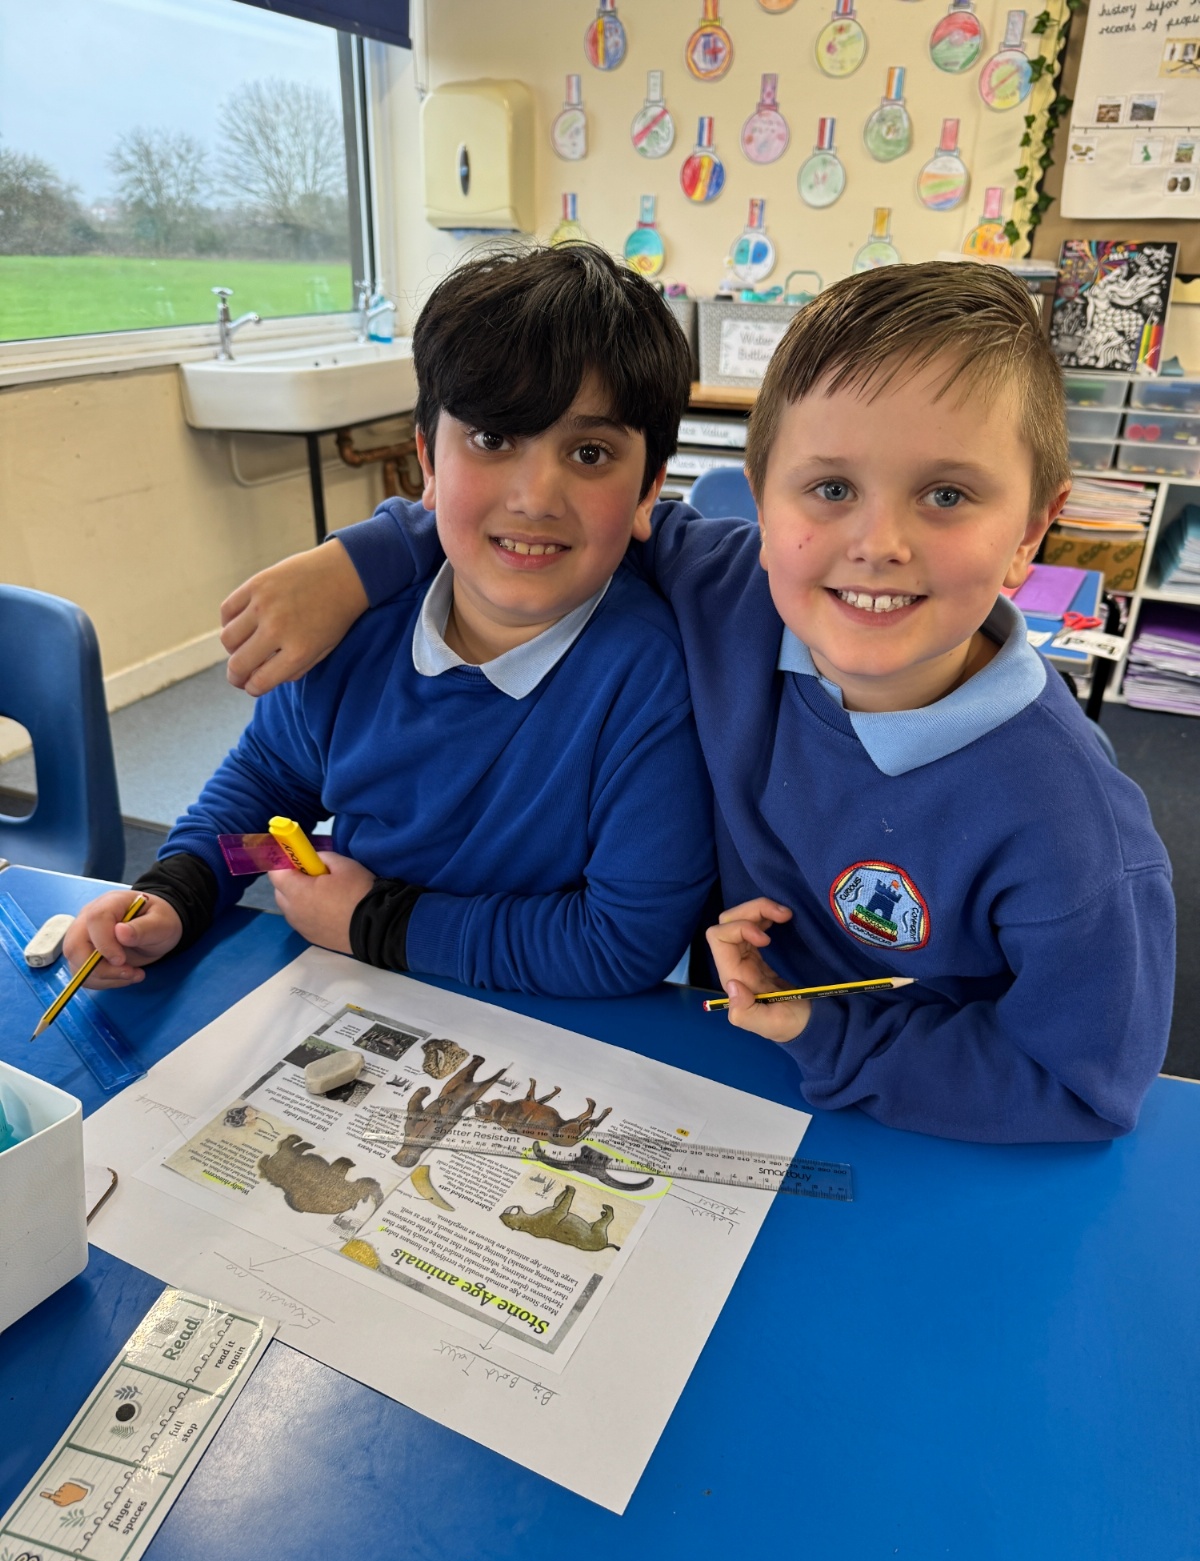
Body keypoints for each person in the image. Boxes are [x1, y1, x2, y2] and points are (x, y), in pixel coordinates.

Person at [215, 259, 1175, 1144]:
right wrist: (359, 559)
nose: (879, 544)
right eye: (830, 488)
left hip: (923, 1127)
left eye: (948, 496)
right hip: (711, 1063)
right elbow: (532, 525)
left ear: (1032, 531)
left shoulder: (1073, 830)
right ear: (761, 502)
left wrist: (824, 1032)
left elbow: (1084, 1087)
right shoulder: (728, 587)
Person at [63, 244, 715, 998]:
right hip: (349, 996)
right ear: (427, 463)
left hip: (543, 1018)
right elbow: (264, 805)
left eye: (591, 453)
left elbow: (622, 943)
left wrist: (374, 923)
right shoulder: (350, 624)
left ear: (649, 491)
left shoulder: (651, 679)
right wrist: (180, 892)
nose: (535, 497)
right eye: (493, 438)